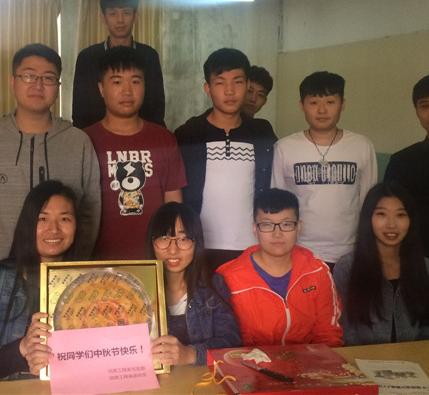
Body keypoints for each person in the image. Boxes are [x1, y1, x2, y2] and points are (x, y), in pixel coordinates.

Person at [0, 43, 100, 275]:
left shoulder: (78, 142)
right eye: (28, 76)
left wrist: (73, 268)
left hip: (63, 279)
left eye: (48, 78)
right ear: (12, 82)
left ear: (58, 87)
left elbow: (90, 213)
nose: (38, 84)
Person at [0, 180, 81, 382]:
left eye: (64, 219)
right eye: (42, 218)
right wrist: (23, 348)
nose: (54, 229)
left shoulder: (90, 284)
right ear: (27, 224)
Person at [174, 48, 277, 270]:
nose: (229, 91)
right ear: (208, 88)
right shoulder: (188, 134)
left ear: (247, 85)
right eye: (220, 83)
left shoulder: (262, 133)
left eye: (237, 82)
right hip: (198, 247)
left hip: (251, 247)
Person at [85, 46, 186, 261]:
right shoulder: (85, 140)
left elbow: (174, 206)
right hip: (98, 262)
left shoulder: (164, 139)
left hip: (154, 261)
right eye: (117, 82)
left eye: (135, 81)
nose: (127, 91)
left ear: (145, 85)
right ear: (101, 88)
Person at [271, 71, 377, 270]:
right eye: (313, 103)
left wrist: (367, 247)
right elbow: (278, 205)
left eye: (330, 102)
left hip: (350, 252)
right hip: (300, 251)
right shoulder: (284, 148)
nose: (322, 110)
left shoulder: (362, 146)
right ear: (301, 105)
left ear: (342, 104)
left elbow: (369, 203)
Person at [217, 188, 343, 347]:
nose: (277, 234)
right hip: (250, 360)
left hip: (309, 360)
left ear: (298, 228)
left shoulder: (317, 271)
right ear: (255, 229)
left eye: (286, 224)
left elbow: (329, 337)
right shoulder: (228, 278)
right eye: (267, 224)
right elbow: (230, 341)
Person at [333, 183, 429, 346]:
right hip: (360, 358)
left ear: (411, 220)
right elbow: (345, 331)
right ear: (369, 218)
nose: (391, 224)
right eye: (381, 214)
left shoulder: (428, 269)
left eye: (400, 215)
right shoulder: (346, 268)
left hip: (417, 359)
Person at [384, 72, 429, 337]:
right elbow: (390, 220)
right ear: (417, 111)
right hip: (422, 272)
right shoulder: (404, 162)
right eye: (425, 105)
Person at [147, 202, 241, 366]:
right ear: (152, 242)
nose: (173, 250)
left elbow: (232, 342)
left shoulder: (213, 286)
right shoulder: (136, 290)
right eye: (164, 238)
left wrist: (190, 355)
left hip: (200, 379)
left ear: (196, 242)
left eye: (183, 239)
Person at [72, 0, 165, 129]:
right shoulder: (87, 57)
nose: (120, 20)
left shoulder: (149, 56)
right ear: (103, 18)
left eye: (126, 12)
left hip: (141, 135)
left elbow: (157, 109)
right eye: (113, 13)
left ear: (135, 16)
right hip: (96, 137)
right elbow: (79, 111)